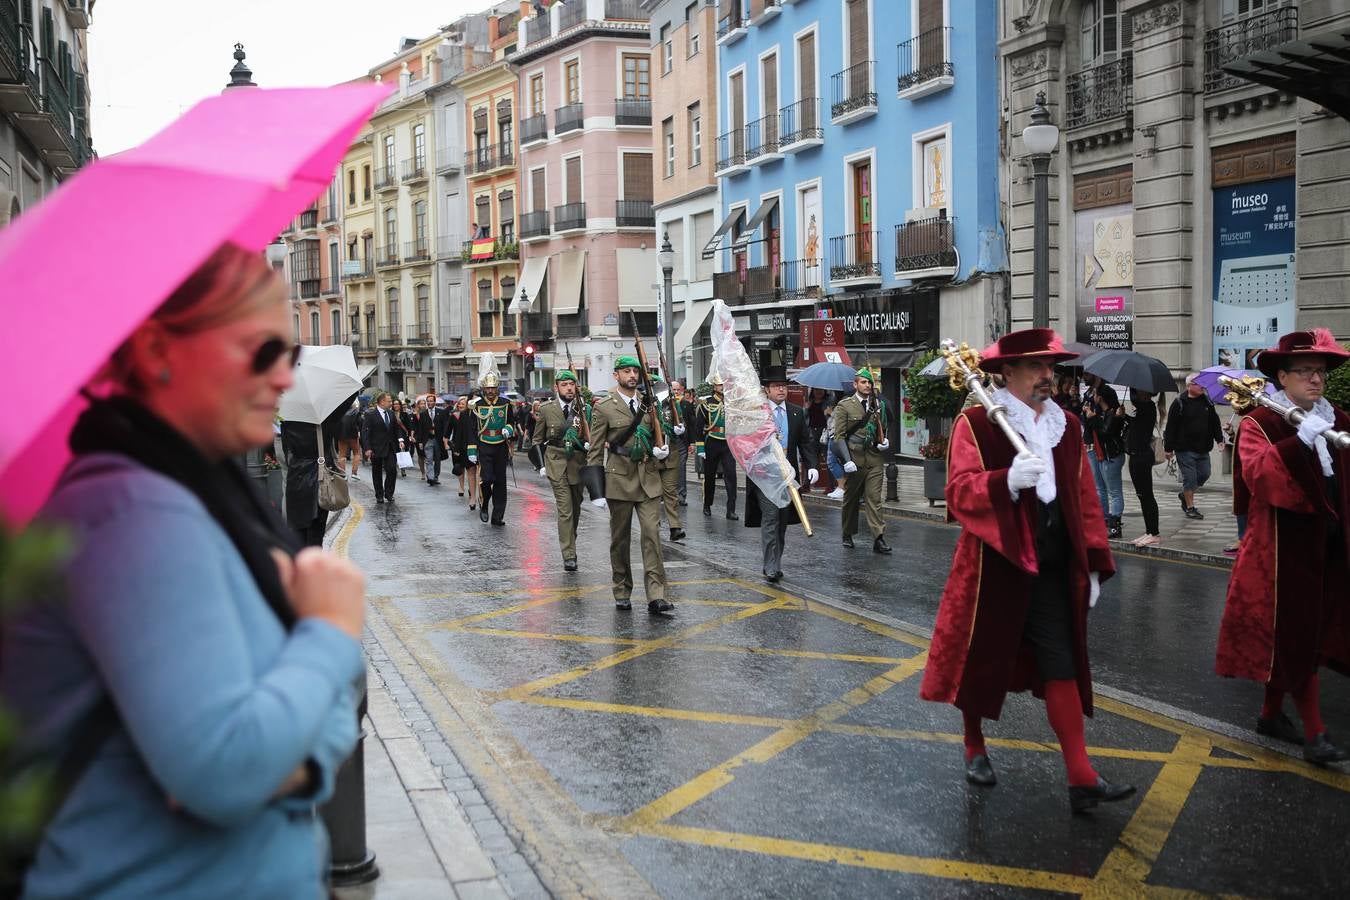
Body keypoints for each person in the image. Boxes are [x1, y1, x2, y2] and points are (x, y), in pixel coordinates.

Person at [0, 243, 365, 897]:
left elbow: (332, 715)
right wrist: (331, 631)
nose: (283, 377)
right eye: (261, 350)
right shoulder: (136, 516)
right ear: (157, 351)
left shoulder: (201, 494)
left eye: (292, 354)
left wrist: (297, 764)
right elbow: (228, 772)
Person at [919, 328, 1133, 813]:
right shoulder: (976, 422)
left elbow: (1084, 501)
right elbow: (958, 492)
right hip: (996, 566)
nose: (1047, 376)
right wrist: (1005, 482)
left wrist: (1095, 564)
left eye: (1050, 367)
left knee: (1062, 666)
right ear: (1007, 373)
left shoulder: (1068, 426)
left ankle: (1080, 776)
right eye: (1036, 367)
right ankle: (974, 746)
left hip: (1054, 567)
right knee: (981, 661)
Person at [1216, 329, 1350, 764]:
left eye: (1320, 372)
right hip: (1281, 550)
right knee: (1297, 637)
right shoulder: (1262, 422)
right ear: (1283, 377)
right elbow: (1261, 479)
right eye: (1305, 372)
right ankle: (1316, 734)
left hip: (1330, 546)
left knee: (1305, 636)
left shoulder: (1340, 421)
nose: (1315, 380)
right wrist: (1301, 441)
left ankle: (1271, 714)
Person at [587, 356, 674, 613]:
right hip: (619, 479)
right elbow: (594, 450)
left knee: (651, 536)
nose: (632, 375)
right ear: (616, 375)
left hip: (648, 477)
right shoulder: (604, 407)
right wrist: (596, 490)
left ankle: (656, 595)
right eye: (626, 371)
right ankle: (622, 589)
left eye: (635, 371)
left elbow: (659, 433)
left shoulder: (649, 404)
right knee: (620, 540)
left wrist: (662, 450)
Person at [745, 367, 819, 582]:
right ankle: (770, 566)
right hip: (765, 476)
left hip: (788, 476)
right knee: (770, 518)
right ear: (766, 390)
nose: (781, 390)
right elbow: (747, 443)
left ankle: (776, 562)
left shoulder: (796, 412)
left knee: (782, 522)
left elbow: (806, 442)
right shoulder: (758, 413)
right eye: (776, 386)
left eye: (784, 386)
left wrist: (812, 465)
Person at [531, 370, 589, 570]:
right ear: (557, 387)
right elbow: (537, 440)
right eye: (564, 385)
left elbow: (593, 436)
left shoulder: (585, 409)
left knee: (576, 508)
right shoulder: (547, 409)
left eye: (572, 384)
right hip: (555, 462)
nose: (569, 388)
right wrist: (540, 465)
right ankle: (569, 554)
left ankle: (570, 540)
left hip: (578, 463)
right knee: (565, 509)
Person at [831, 368, 893, 554]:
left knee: (874, 499)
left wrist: (884, 441)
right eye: (863, 382)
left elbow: (883, 427)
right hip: (855, 458)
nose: (867, 386)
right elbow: (839, 436)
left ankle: (879, 538)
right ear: (855, 384)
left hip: (874, 457)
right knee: (851, 499)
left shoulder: (878, 404)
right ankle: (847, 533)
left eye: (869, 383)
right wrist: (847, 460)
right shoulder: (845, 406)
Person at [280, 400, 345, 546]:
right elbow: (342, 407)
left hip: (295, 478)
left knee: (299, 534)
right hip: (318, 478)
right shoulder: (326, 422)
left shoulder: (288, 422)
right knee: (316, 535)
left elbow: (286, 453)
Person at [1163, 374, 1224, 520]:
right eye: (1198, 384)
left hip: (1203, 447)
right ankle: (1190, 507)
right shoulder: (1179, 402)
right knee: (1190, 478)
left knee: (1204, 474)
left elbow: (1214, 422)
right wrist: (1168, 448)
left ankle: (1185, 494)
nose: (1202, 386)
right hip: (1184, 448)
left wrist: (1219, 439)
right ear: (1189, 386)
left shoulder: (1207, 401)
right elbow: (1171, 427)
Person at [1082, 375, 1126, 538]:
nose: (1084, 376)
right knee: (1100, 487)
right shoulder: (1089, 395)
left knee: (1113, 490)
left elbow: (1107, 429)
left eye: (1087, 374)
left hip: (1109, 451)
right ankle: (1104, 520)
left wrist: (1093, 416)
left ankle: (1114, 525)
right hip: (1097, 448)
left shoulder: (1109, 402)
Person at [469, 371, 513, 525]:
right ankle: (485, 503)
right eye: (488, 388)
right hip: (484, 443)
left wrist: (509, 429)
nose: (490, 391)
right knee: (487, 479)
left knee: (500, 482)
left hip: (500, 445)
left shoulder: (506, 403)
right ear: (483, 388)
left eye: (493, 387)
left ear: (497, 388)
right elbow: (472, 429)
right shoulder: (477, 405)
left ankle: (497, 516)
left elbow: (511, 422)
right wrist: (472, 450)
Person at [694, 373, 738, 519]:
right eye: (720, 385)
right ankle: (707, 504)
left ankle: (731, 509)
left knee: (731, 475)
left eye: (724, 384)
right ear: (714, 386)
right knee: (710, 475)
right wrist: (700, 448)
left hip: (728, 443)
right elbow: (699, 427)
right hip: (712, 441)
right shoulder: (706, 404)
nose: (723, 387)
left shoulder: (732, 403)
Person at [1124, 388, 1163, 546]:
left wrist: (1125, 417)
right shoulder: (1141, 408)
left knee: (1147, 495)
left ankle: (1154, 533)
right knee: (1141, 495)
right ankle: (1148, 531)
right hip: (1135, 455)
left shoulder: (1148, 408)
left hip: (1142, 456)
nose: (1136, 393)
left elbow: (1139, 428)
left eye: (1138, 390)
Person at [361, 391, 402, 503]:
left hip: (390, 447)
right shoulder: (370, 414)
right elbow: (365, 433)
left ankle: (389, 493)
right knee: (377, 471)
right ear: (382, 402)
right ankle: (379, 494)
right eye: (389, 401)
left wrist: (400, 440)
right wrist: (367, 448)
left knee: (392, 470)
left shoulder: (391, 413)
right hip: (376, 448)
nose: (391, 403)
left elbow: (396, 429)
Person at [451, 395, 480, 509]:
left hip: (483, 446)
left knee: (482, 474)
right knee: (471, 472)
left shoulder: (485, 412)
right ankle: (473, 497)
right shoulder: (464, 414)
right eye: (473, 399)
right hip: (468, 447)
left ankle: (482, 496)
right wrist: (457, 449)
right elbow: (460, 432)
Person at [417, 392, 449, 486]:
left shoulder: (441, 412)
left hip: (438, 439)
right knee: (429, 459)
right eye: (428, 401)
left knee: (437, 459)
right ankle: (430, 477)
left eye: (431, 401)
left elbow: (445, 426)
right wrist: (420, 441)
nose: (429, 403)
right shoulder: (423, 414)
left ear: (435, 402)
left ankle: (435, 476)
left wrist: (445, 438)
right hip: (428, 439)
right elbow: (420, 429)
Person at [669, 379, 692, 506]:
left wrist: (693, 443)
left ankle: (681, 494)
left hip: (682, 440)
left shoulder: (685, 404)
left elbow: (692, 424)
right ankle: (666, 494)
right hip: (669, 440)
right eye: (674, 389)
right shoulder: (664, 403)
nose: (676, 392)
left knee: (681, 468)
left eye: (678, 389)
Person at [338, 398, 362, 478]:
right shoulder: (356, 412)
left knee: (342, 455)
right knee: (357, 453)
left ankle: (342, 474)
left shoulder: (340, 411)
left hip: (341, 434)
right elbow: (360, 423)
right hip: (353, 435)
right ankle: (354, 473)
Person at [392, 398, 415, 478]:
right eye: (394, 404)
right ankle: (394, 468)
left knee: (403, 452)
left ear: (400, 405)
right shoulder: (391, 414)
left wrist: (410, 435)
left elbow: (409, 426)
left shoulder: (405, 414)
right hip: (393, 436)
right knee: (395, 452)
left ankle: (402, 468)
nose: (396, 406)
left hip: (404, 435)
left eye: (397, 404)